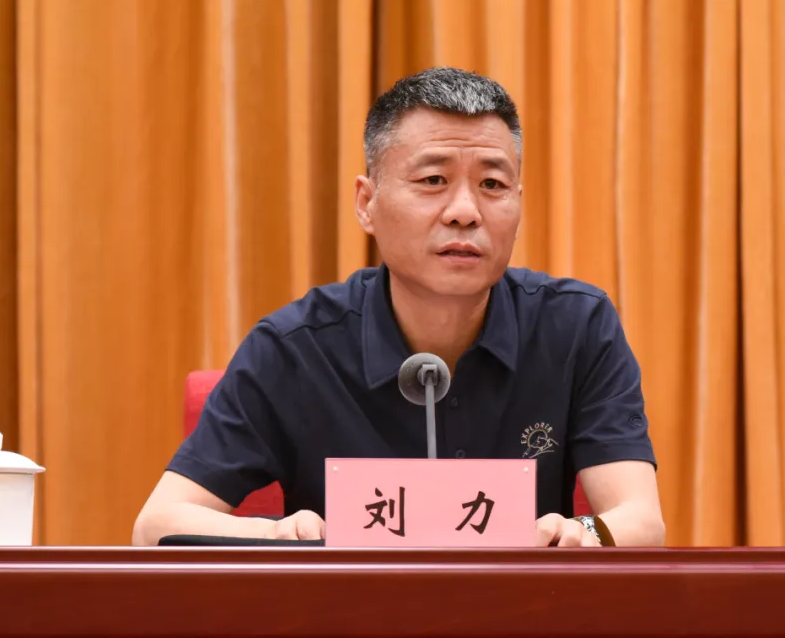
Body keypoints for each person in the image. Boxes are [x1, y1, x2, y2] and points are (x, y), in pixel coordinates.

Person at [132, 67, 664, 548]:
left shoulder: (576, 327)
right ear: (367, 203)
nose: (464, 211)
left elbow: (641, 520)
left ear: (519, 204)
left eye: (493, 184)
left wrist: (581, 533)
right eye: (433, 181)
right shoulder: (295, 349)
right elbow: (157, 525)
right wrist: (283, 532)